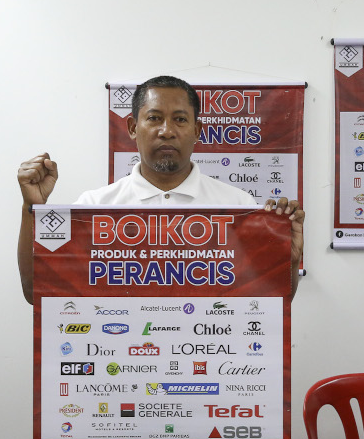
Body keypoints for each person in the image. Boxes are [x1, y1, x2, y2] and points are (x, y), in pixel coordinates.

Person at [17, 75, 304, 304]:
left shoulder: (239, 207)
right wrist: (31, 210)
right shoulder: (92, 207)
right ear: (132, 127)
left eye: (180, 119)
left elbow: (271, 302)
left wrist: (287, 262)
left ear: (197, 130)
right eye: (154, 118)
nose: (167, 130)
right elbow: (37, 293)